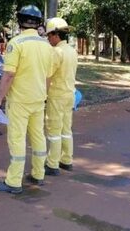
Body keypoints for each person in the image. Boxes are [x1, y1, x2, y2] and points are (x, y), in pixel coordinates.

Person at [0, 5, 54, 194]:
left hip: (19, 100)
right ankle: (38, 174)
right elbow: (49, 76)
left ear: (20, 21)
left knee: (17, 139)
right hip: (38, 98)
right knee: (38, 136)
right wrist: (44, 94)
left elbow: (8, 75)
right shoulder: (46, 45)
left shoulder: (15, 43)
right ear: (38, 23)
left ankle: (14, 181)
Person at [43, 17, 78, 176]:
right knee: (66, 129)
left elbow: (48, 76)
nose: (48, 38)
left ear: (56, 35)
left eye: (49, 35)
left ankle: (52, 164)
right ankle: (67, 160)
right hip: (69, 94)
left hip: (56, 95)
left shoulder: (57, 52)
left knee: (54, 130)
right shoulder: (72, 50)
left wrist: (43, 93)